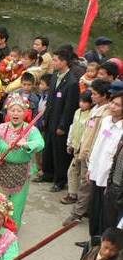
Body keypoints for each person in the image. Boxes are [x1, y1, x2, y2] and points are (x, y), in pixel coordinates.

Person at [0, 93, 45, 228]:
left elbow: (40, 144)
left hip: (21, 172)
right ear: (7, 112)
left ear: (25, 113)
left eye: (19, 110)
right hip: (3, 170)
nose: (15, 113)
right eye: (12, 110)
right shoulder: (1, 128)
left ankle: (12, 229)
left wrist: (25, 144)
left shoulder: (31, 130)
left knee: (17, 204)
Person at [65, 79, 112, 226]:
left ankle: (77, 214)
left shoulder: (106, 115)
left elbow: (101, 138)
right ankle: (85, 210)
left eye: (95, 94)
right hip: (84, 151)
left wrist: (91, 155)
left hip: (92, 155)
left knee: (86, 186)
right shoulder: (95, 109)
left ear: (104, 96)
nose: (92, 96)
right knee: (83, 183)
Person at [42, 48, 80, 193]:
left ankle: (60, 180)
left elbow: (70, 108)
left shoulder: (71, 82)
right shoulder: (54, 76)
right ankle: (48, 174)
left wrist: (63, 126)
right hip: (50, 119)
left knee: (60, 153)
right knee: (49, 148)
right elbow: (50, 99)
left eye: (56, 60)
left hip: (60, 123)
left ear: (64, 62)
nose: (53, 62)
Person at [87, 92, 123, 236]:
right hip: (97, 169)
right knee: (94, 208)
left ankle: (103, 241)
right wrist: (90, 167)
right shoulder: (106, 120)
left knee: (107, 213)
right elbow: (97, 144)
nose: (113, 107)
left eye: (118, 105)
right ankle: (93, 239)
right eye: (112, 103)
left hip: (111, 178)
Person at [62, 91, 95, 206]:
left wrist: (82, 147)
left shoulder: (92, 115)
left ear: (90, 103)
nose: (81, 104)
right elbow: (73, 127)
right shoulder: (77, 112)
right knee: (74, 171)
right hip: (75, 146)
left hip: (84, 149)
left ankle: (75, 196)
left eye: (85, 102)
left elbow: (87, 133)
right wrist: (69, 143)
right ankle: (74, 195)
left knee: (77, 172)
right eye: (80, 101)